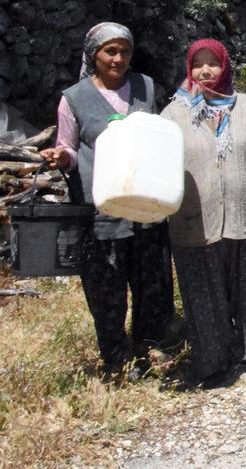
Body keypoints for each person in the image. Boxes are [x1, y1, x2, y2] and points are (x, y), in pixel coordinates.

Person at [39, 22, 174, 376]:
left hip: (146, 204)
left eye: (124, 51)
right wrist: (60, 157)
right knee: (107, 290)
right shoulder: (74, 98)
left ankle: (150, 348)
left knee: (151, 283)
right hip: (102, 210)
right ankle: (117, 357)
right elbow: (68, 146)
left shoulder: (145, 87)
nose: (118, 58)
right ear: (93, 55)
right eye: (109, 51)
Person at [162, 39, 246, 388]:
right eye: (197, 65)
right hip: (194, 222)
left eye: (213, 64)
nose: (205, 71)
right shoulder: (174, 114)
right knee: (204, 298)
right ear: (188, 69)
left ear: (225, 67)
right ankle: (213, 363)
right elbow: (154, 164)